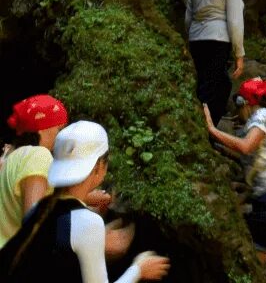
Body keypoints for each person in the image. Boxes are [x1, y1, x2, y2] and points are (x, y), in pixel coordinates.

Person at [0, 120, 169, 282]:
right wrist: (138, 269)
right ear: (98, 167)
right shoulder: (87, 223)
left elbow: (55, 255)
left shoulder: (40, 208)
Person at [202, 78, 266, 261]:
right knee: (258, 249)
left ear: (243, 103)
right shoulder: (264, 119)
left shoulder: (263, 116)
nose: (237, 114)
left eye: (237, 107)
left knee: (253, 255)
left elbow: (246, 147)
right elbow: (260, 162)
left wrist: (212, 130)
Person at [185, 0, 245, 119]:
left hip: (196, 41)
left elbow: (188, 17)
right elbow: (235, 20)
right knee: (217, 89)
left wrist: (188, 41)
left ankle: (201, 126)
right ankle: (207, 132)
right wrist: (239, 53)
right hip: (218, 41)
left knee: (205, 83)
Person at [0, 94, 70, 247]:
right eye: (60, 128)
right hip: (17, 262)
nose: (63, 135)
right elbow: (33, 220)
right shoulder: (39, 155)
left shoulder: (13, 156)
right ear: (42, 129)